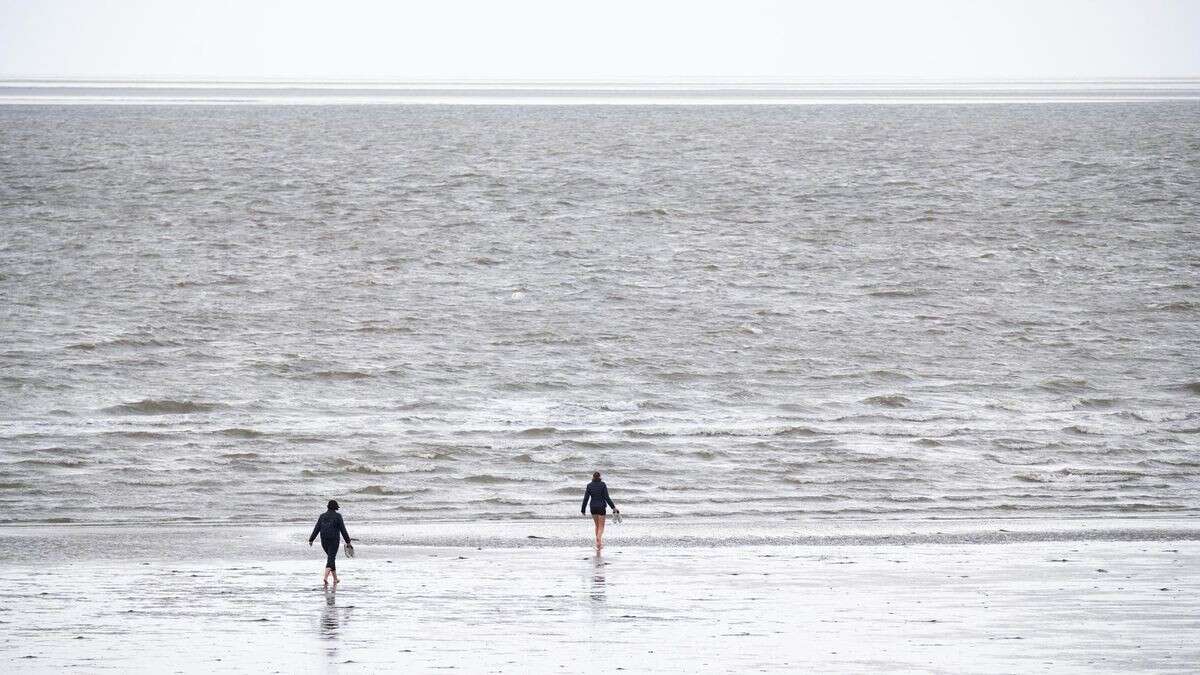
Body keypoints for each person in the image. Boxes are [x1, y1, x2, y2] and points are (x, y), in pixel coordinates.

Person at [309, 499, 352, 586]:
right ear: (336, 508)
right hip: (334, 540)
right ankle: (325, 577)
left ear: (328, 507)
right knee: (331, 558)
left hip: (324, 540)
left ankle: (335, 579)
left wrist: (311, 539)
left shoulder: (322, 516)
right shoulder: (338, 516)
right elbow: (343, 529)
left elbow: (317, 528)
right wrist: (348, 541)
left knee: (331, 558)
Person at [581, 472, 619, 549]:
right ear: (600, 477)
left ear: (593, 477)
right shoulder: (603, 485)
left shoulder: (589, 485)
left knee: (597, 526)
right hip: (601, 507)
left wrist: (583, 509)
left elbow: (586, 498)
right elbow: (607, 497)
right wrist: (613, 507)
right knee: (601, 526)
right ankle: (598, 539)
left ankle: (598, 543)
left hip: (593, 507)